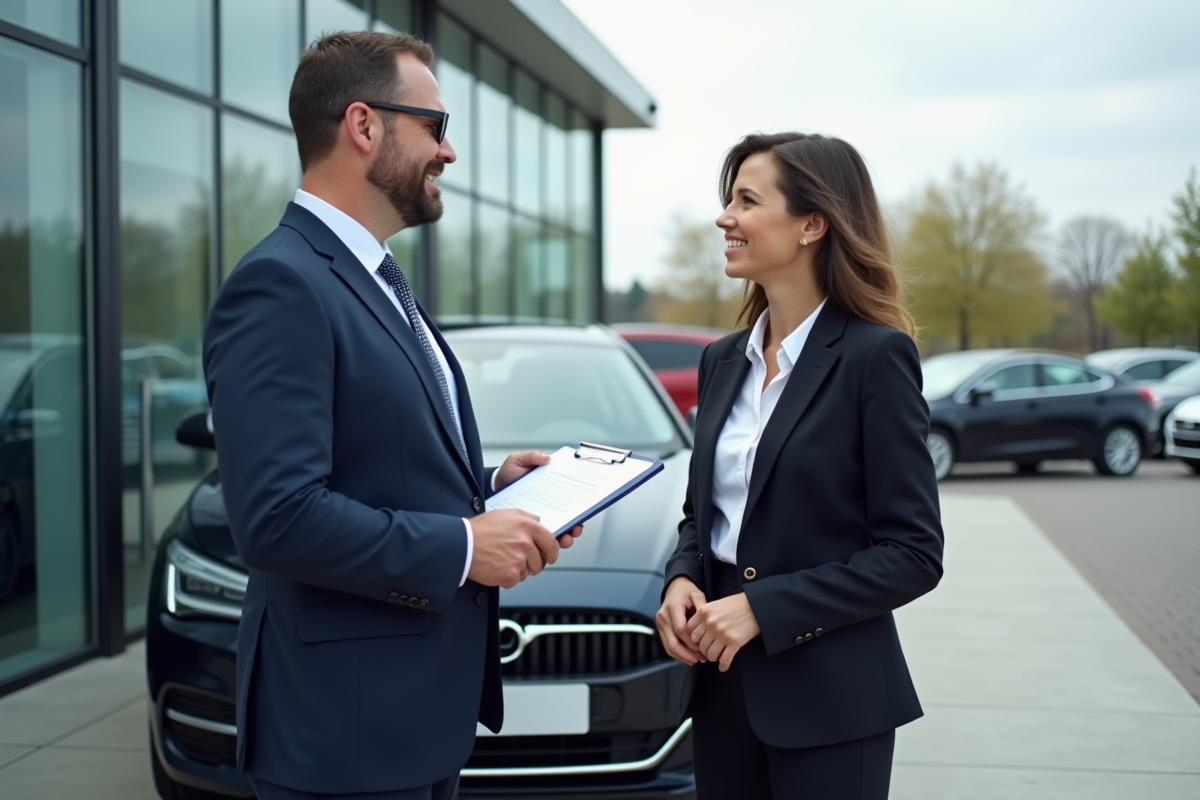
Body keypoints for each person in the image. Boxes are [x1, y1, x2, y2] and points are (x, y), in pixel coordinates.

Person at [202, 31, 580, 800]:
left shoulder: (372, 277)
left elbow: (376, 460)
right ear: (364, 126)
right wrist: (461, 547)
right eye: (436, 126)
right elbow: (276, 517)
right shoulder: (281, 285)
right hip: (345, 736)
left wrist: (491, 483)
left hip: (410, 722)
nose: (450, 153)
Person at [655, 133, 944, 799]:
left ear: (813, 224)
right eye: (727, 200)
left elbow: (912, 553)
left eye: (747, 201)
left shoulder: (877, 359)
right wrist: (680, 580)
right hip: (722, 688)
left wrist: (762, 607)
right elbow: (705, 516)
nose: (725, 217)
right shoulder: (722, 361)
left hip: (832, 699)